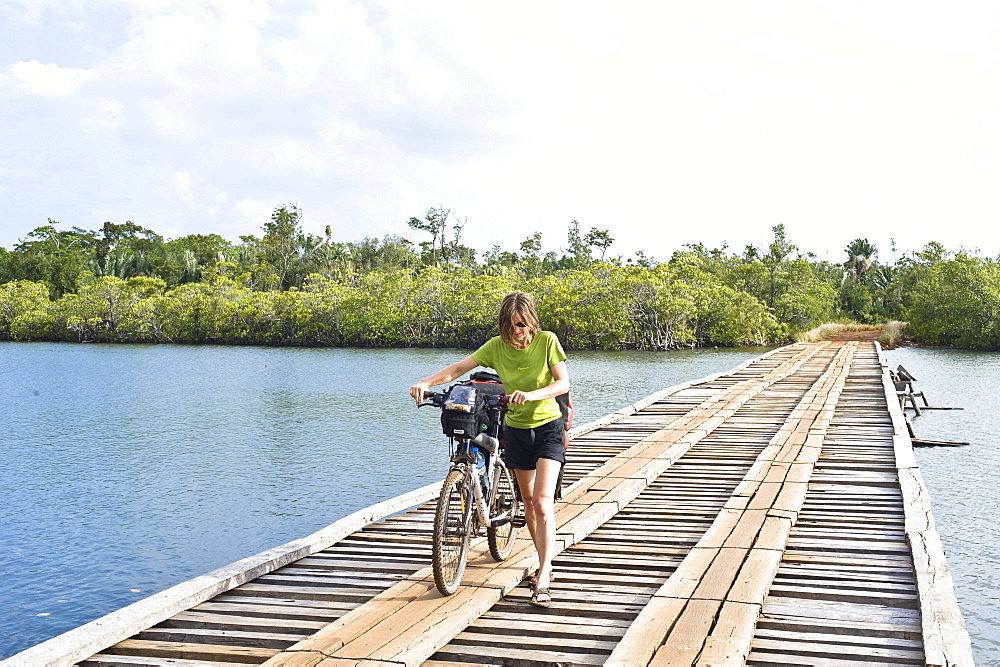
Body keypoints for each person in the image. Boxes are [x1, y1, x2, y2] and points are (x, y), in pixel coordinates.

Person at [409, 291, 569, 607]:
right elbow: (459, 368)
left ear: (531, 322)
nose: (517, 334)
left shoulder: (547, 341)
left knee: (540, 501)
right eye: (510, 328)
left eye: (521, 326)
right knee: (525, 500)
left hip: (549, 427)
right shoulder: (497, 347)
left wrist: (533, 394)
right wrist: (426, 382)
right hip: (518, 430)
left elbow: (562, 383)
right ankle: (540, 559)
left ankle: (545, 572)